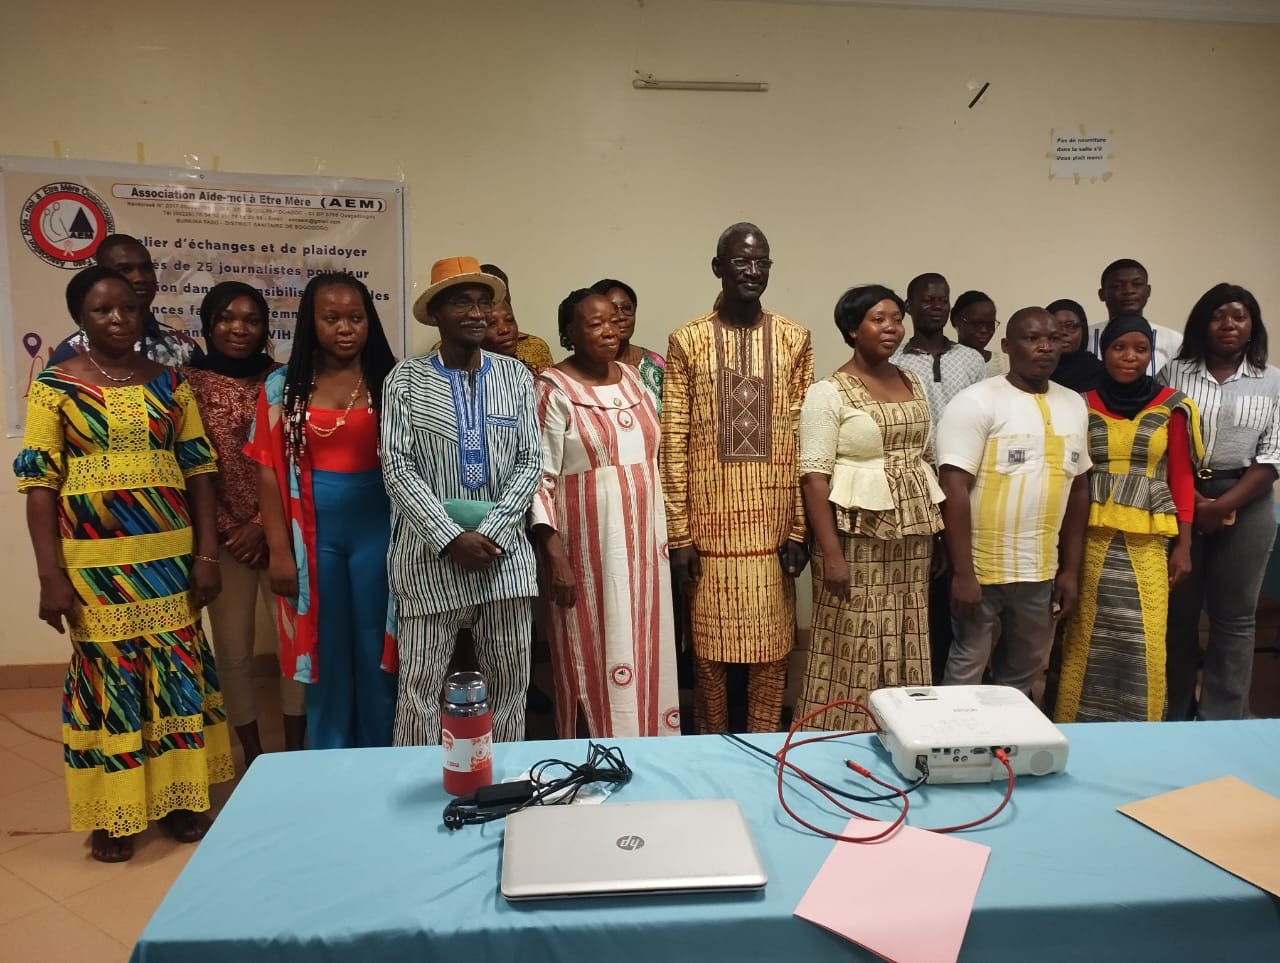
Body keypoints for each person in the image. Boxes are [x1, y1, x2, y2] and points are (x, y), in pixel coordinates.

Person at [15, 265, 231, 863]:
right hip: (92, 567)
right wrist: (49, 576)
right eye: (101, 310)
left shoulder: (171, 382)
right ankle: (117, 812)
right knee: (109, 679)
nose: (117, 319)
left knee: (177, 673)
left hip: (169, 559)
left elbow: (199, 469)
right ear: (80, 319)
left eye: (127, 309)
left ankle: (182, 799)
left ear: (142, 313)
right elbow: (39, 485)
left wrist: (206, 555)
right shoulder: (55, 386)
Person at [661, 222, 813, 734]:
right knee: (708, 660)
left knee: (772, 656)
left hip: (773, 532)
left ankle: (766, 750)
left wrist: (800, 529)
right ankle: (711, 751)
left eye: (761, 262)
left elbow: (805, 440)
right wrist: (679, 535)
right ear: (717, 268)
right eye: (741, 262)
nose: (752, 271)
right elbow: (674, 439)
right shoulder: (687, 340)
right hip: (707, 534)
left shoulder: (794, 338)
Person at [382, 256, 541, 746]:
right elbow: (397, 467)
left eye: (482, 303)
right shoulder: (404, 380)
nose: (476, 314)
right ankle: (415, 780)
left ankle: (504, 777)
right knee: (419, 688)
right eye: (461, 303)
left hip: (503, 558)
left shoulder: (516, 376)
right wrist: (451, 538)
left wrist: (489, 532)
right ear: (436, 313)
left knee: (510, 687)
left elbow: (531, 461)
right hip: (428, 560)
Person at [246, 272, 399, 750]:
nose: (345, 328)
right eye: (331, 318)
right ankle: (329, 755)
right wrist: (279, 552)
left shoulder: (392, 383)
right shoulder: (281, 388)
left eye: (356, 318)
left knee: (378, 646)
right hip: (313, 538)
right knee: (325, 646)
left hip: (379, 534)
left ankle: (380, 751)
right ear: (311, 323)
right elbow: (268, 473)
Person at [792, 285, 943, 731]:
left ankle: (903, 732)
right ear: (852, 329)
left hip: (912, 535)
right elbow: (814, 477)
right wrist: (831, 554)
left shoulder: (913, 381)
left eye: (896, 319)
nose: (891, 328)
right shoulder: (828, 392)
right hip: (855, 537)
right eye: (878, 319)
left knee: (907, 628)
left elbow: (925, 458)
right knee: (855, 634)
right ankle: (841, 733)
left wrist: (937, 534)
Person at [532, 289, 680, 738]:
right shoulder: (554, 388)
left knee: (648, 645)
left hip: (646, 551)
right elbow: (539, 478)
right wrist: (554, 555)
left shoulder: (635, 379)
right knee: (593, 650)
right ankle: (596, 751)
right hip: (586, 553)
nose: (609, 331)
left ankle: (650, 745)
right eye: (595, 324)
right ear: (568, 333)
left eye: (613, 321)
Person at [937, 308, 1091, 701]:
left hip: (1040, 572)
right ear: (1006, 346)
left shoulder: (1074, 404)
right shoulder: (975, 402)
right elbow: (953, 488)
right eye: (1032, 338)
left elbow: (1078, 489)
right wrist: (963, 573)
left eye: (1053, 338)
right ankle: (954, 737)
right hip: (982, 570)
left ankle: (1006, 739)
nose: (1045, 347)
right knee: (967, 668)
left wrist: (1070, 570)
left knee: (1023, 673)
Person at [1055, 314, 1201, 723]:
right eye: (1119, 347)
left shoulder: (1172, 405)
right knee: (1086, 634)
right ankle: (1078, 724)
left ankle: (1141, 726)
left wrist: (1185, 545)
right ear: (1104, 351)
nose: (1130, 356)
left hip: (1149, 539)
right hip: (1091, 535)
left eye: (1141, 349)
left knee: (1146, 636)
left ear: (1151, 354)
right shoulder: (1082, 403)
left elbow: (1181, 478)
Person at [185, 282, 305, 766]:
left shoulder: (285, 380)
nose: (239, 328)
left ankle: (295, 751)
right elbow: (189, 464)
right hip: (221, 540)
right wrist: (229, 531)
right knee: (232, 650)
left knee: (295, 644)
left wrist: (261, 523)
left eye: (252, 319)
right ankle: (253, 753)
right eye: (227, 318)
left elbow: (297, 458)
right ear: (208, 324)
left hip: (283, 534)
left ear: (266, 328)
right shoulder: (185, 384)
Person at [1160, 284, 1279, 720]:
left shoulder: (1273, 380)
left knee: (1234, 617)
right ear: (1201, 324)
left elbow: (1273, 455)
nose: (1228, 324)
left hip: (1248, 499)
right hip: (1180, 496)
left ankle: (1222, 718)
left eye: (1239, 316)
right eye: (1218, 316)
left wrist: (1223, 504)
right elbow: (1158, 442)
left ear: (1253, 326)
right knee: (1178, 615)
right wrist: (1195, 502)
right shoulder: (1173, 374)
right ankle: (1174, 713)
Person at [891, 272, 986, 683]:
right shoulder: (894, 359)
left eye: (942, 300)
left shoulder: (972, 359)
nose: (936, 306)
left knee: (960, 575)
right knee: (922, 579)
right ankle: (918, 674)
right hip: (915, 483)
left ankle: (955, 676)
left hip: (965, 480)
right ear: (909, 306)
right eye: (927, 300)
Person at [48, 234, 204, 367]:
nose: (139, 278)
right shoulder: (72, 353)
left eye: (146, 268)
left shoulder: (184, 348)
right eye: (125, 270)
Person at [1086, 259, 1183, 378]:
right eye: (1117, 286)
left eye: (1137, 284)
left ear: (1148, 291)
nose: (1129, 291)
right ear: (1102, 294)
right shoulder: (1086, 338)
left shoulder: (1173, 340)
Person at [591, 278, 665, 409]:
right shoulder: (585, 370)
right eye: (612, 309)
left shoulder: (655, 363)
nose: (621, 317)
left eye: (627, 308)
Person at [1046, 298, 1103, 393]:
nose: (1063, 332)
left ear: (1083, 330)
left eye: (1071, 326)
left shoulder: (1101, 373)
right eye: (1055, 326)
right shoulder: (1036, 371)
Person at [951, 290, 1006, 378]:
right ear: (957, 321)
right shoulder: (945, 363)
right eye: (976, 323)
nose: (984, 330)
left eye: (990, 324)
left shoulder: (1004, 365)